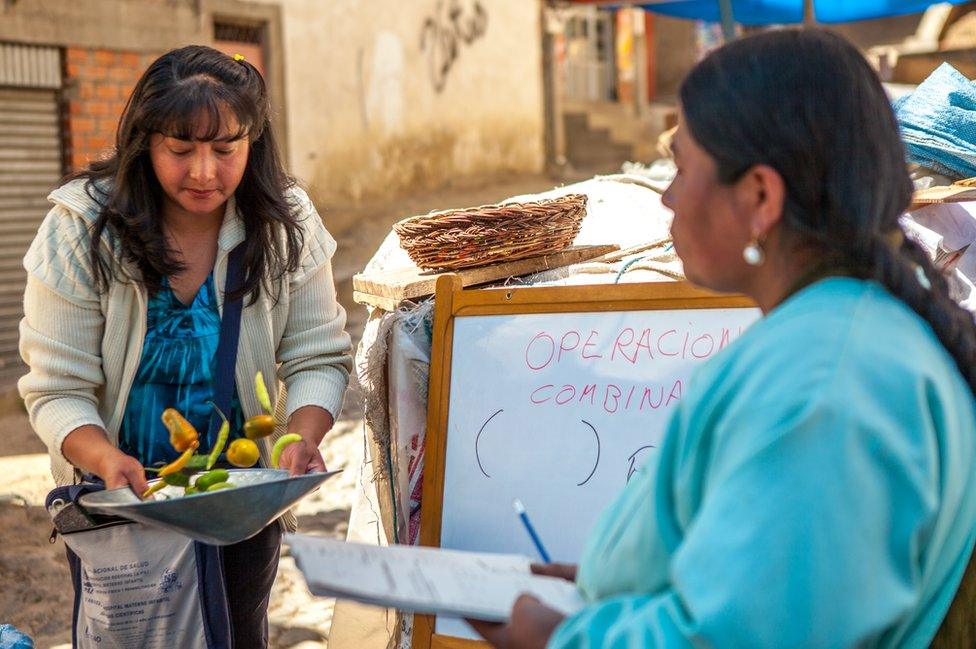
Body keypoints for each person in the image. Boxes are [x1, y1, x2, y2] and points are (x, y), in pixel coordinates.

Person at [471, 28, 976, 648]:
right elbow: (770, 581)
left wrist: (562, 639)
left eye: (681, 168)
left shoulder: (823, 385)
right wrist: (617, 595)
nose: (667, 195)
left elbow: (749, 635)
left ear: (760, 196)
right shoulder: (839, 338)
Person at [19, 45, 352, 646]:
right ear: (145, 143)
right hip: (120, 512)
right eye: (180, 150)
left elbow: (318, 355)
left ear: (254, 143)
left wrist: (302, 436)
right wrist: (102, 460)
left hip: (240, 509)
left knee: (237, 634)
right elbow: (56, 388)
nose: (204, 172)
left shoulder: (285, 222)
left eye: (226, 151)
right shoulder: (81, 227)